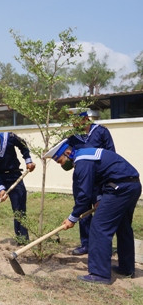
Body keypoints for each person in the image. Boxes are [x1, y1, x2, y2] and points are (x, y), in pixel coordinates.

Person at [44, 139, 141, 284]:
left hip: (118, 189)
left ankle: (100, 274)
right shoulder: (87, 155)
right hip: (131, 185)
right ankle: (127, 268)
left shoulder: (82, 162)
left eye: (60, 161)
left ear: (68, 153)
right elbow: (97, 180)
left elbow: (84, 195)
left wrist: (72, 218)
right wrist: (100, 198)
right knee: (123, 226)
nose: (62, 165)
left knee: (99, 228)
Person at [66, 108, 116, 255]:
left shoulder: (101, 132)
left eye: (77, 122)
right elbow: (68, 159)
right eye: (73, 123)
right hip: (82, 179)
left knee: (101, 211)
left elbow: (111, 155)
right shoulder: (72, 138)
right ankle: (86, 244)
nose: (75, 125)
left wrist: (104, 186)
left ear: (86, 119)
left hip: (100, 180)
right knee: (83, 210)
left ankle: (102, 246)